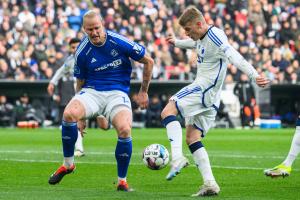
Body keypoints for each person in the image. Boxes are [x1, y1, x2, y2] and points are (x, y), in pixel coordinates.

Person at [161, 6, 269, 197]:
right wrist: (177, 43)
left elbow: (234, 55)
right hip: (211, 98)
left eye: (188, 29)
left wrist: (254, 75)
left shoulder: (216, 36)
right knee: (192, 138)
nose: (187, 33)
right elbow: (195, 45)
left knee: (167, 111)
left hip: (203, 89)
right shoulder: (202, 38)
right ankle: (210, 184)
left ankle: (177, 157)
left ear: (199, 23)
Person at [48, 10, 154, 192]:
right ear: (84, 29)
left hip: (117, 93)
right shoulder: (81, 51)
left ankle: (122, 181)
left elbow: (148, 61)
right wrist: (81, 118)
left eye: (97, 28)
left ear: (103, 25)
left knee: (125, 129)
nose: (94, 32)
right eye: (90, 30)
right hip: (92, 92)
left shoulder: (118, 41)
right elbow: (80, 82)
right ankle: (68, 165)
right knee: (69, 113)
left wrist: (143, 91)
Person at [47, 38, 110, 157]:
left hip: (97, 93)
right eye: (72, 47)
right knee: (76, 120)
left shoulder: (90, 56)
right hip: (83, 95)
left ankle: (109, 119)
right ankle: (79, 149)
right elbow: (61, 71)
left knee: (104, 126)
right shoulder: (70, 61)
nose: (75, 49)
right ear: (69, 49)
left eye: (77, 46)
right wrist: (52, 82)